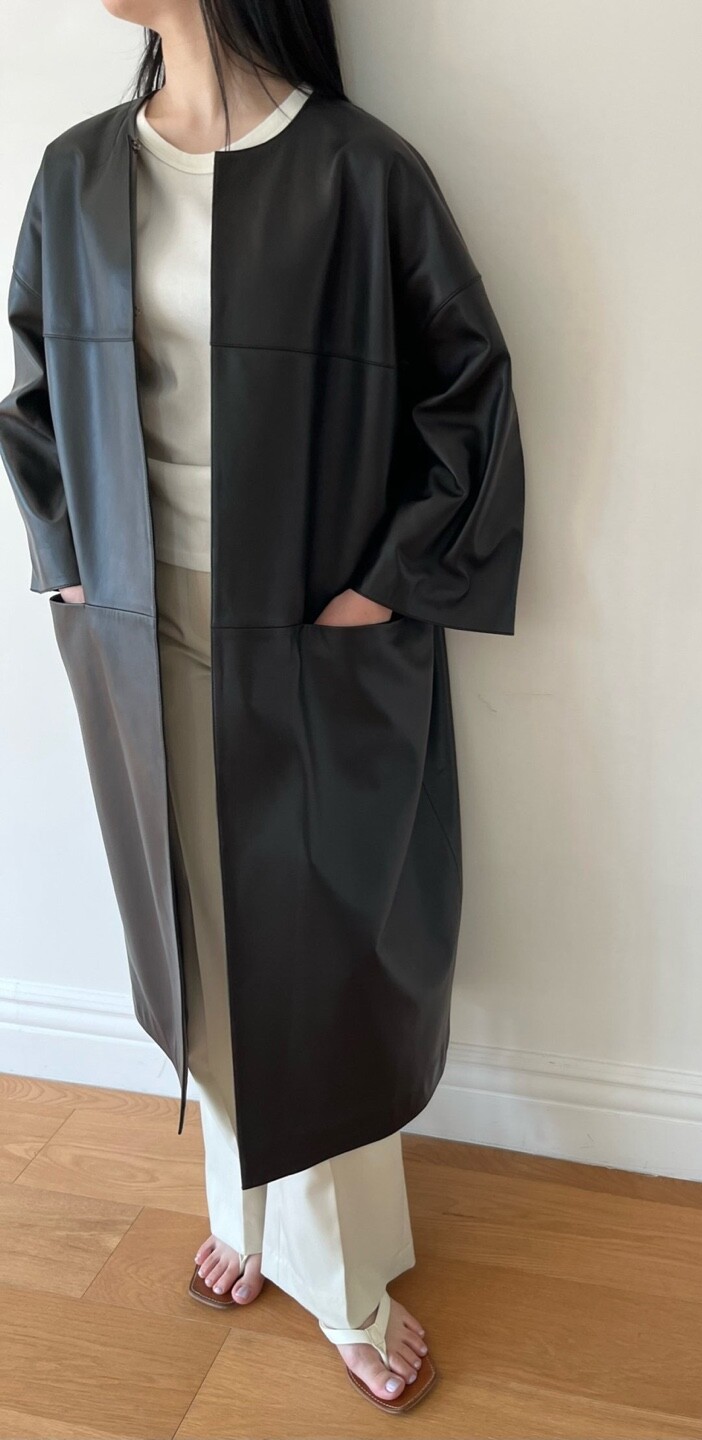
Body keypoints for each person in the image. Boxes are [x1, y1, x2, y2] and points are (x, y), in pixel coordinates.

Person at [0, 0, 524, 1416]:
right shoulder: (77, 171)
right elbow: (35, 393)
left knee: (316, 955)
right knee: (200, 938)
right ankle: (245, 1211)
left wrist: (382, 589)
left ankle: (337, 1272)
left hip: (307, 626)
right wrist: (66, 561)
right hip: (134, 621)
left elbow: (470, 395)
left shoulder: (361, 172)